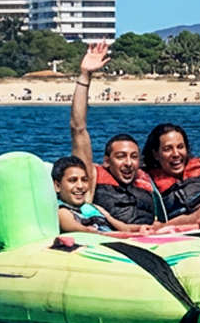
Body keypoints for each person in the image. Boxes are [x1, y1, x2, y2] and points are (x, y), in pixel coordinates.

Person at [68, 41, 161, 226]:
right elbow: (78, 129)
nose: (128, 163)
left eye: (134, 157)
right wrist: (85, 75)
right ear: (107, 161)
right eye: (120, 156)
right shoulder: (92, 179)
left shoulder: (146, 182)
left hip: (153, 240)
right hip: (116, 241)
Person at [141, 122, 200, 226]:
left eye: (180, 147)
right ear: (156, 154)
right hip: (184, 220)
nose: (176, 154)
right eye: (167, 149)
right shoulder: (147, 179)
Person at [52, 154, 129, 234]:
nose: (80, 186)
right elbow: (71, 226)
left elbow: (125, 228)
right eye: (73, 180)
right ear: (57, 186)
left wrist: (140, 228)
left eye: (84, 180)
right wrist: (91, 231)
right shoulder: (62, 211)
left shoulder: (93, 208)